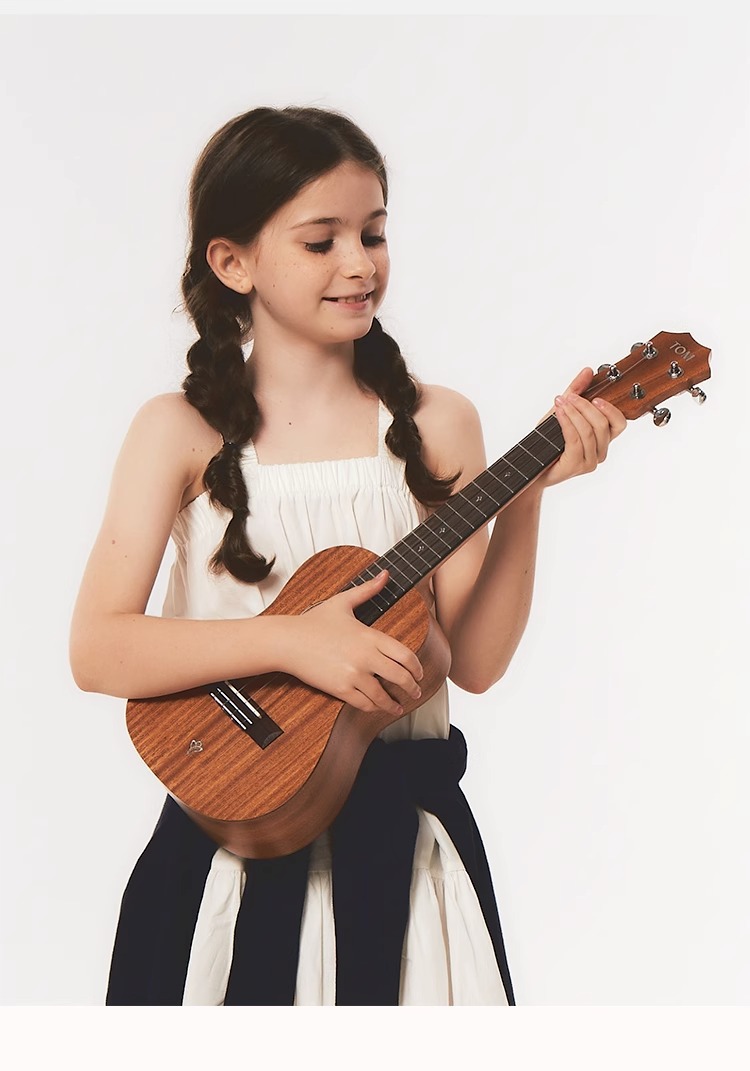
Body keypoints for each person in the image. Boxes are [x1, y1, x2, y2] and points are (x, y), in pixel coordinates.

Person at [69, 104, 626, 1006]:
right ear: (233, 262)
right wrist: (292, 642)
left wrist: (523, 500)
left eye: (373, 233)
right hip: (226, 855)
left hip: (403, 864)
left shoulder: (439, 424)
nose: (360, 264)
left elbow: (475, 663)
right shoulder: (177, 431)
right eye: (320, 241)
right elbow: (98, 648)